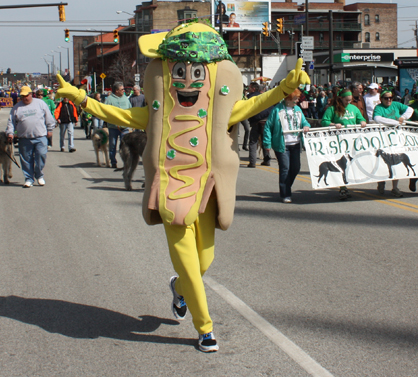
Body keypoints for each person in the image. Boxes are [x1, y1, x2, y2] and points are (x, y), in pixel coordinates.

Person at [55, 21, 310, 352]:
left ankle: (179, 288)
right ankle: (205, 328)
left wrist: (282, 88)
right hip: (171, 189)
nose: (187, 81)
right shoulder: (156, 115)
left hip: (207, 188)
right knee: (189, 262)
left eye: (196, 73)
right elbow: (117, 116)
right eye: (179, 72)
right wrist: (81, 98)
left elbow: (255, 105)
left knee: (204, 261)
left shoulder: (221, 112)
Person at [263, 89, 310, 203]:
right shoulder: (277, 110)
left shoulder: (297, 109)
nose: (298, 101)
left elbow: (304, 122)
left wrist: (306, 126)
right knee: (285, 168)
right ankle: (286, 194)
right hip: (282, 144)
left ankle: (286, 185)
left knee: (295, 168)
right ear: (288, 98)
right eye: (295, 99)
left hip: (296, 143)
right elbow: (268, 127)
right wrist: (267, 143)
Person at [321, 88, 367, 200]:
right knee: (342, 164)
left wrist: (362, 122)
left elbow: (360, 118)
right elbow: (324, 121)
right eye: (346, 100)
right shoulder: (332, 109)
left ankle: (347, 184)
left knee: (351, 164)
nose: (348, 102)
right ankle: (342, 187)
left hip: (352, 140)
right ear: (341, 98)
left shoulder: (354, 108)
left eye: (350, 100)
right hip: (338, 141)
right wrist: (333, 124)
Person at [6, 86, 55, 187]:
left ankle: (39, 175)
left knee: (41, 156)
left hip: (40, 136)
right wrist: (10, 133)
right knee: (26, 159)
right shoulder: (17, 107)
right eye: (22, 96)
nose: (25, 98)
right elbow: (11, 122)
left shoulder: (40, 103)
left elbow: (49, 117)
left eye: (26, 95)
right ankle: (29, 178)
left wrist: (50, 129)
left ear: (31, 94)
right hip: (24, 138)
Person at [373, 90, 414, 197]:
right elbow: (377, 119)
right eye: (386, 98)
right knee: (384, 162)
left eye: (390, 98)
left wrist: (403, 117)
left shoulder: (396, 105)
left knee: (396, 161)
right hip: (383, 138)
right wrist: (395, 122)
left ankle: (395, 187)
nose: (389, 100)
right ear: (381, 99)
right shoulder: (379, 108)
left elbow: (410, 109)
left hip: (396, 138)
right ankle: (381, 182)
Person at [105, 82, 131, 168]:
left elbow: (130, 109)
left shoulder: (125, 99)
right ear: (116, 91)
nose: (124, 90)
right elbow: (105, 112)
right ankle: (113, 161)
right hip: (113, 127)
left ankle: (126, 162)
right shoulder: (109, 100)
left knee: (125, 145)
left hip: (124, 127)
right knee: (112, 145)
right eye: (122, 89)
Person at [247, 82, 272, 167]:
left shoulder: (250, 96)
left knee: (253, 142)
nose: (248, 89)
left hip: (256, 121)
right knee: (265, 140)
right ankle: (267, 160)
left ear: (253, 89)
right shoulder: (264, 96)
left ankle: (252, 162)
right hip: (266, 120)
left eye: (249, 87)